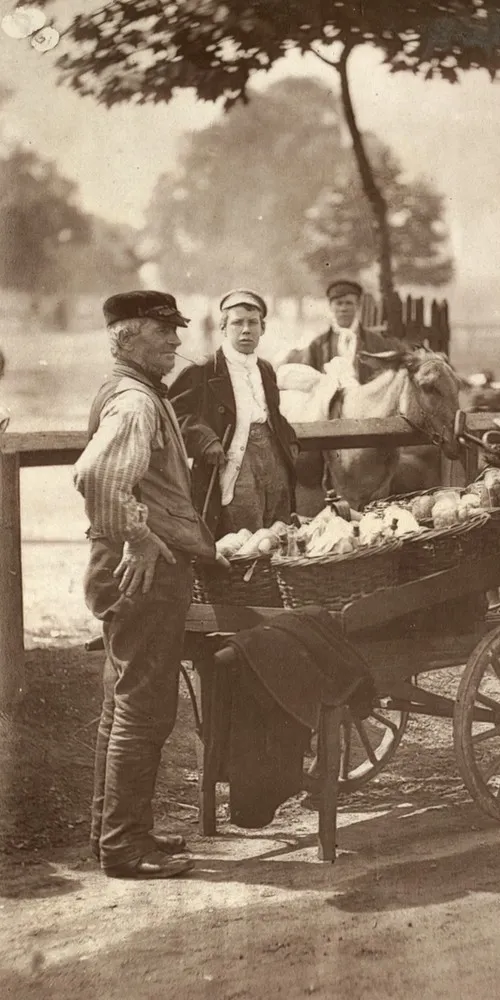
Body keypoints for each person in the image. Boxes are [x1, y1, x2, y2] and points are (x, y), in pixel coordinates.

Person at [74, 290, 218, 879]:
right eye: (165, 332)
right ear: (128, 336)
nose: (177, 342)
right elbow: (98, 476)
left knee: (121, 702)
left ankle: (112, 834)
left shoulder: (130, 392)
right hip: (142, 573)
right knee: (143, 709)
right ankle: (125, 849)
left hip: (131, 570)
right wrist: (137, 537)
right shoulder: (134, 401)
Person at [168, 289, 299, 538]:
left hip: (272, 460)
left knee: (277, 530)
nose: (246, 330)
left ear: (263, 328)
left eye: (253, 323)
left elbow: (273, 414)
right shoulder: (205, 369)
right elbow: (173, 414)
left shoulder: (266, 369)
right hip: (232, 463)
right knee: (243, 537)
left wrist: (290, 441)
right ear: (223, 327)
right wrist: (205, 439)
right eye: (238, 322)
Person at [283, 279, 395, 384]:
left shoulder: (376, 342)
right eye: (339, 303)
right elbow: (308, 379)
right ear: (331, 306)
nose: (343, 308)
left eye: (348, 303)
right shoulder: (318, 345)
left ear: (358, 306)